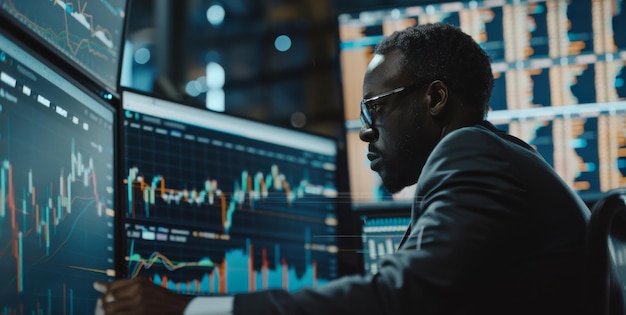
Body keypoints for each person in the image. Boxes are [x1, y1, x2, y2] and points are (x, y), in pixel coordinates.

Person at [94, 22, 591, 315]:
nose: (366, 132)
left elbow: (399, 298)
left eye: (375, 108)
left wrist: (191, 308)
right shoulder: (501, 157)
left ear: (435, 98)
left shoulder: (470, 156)